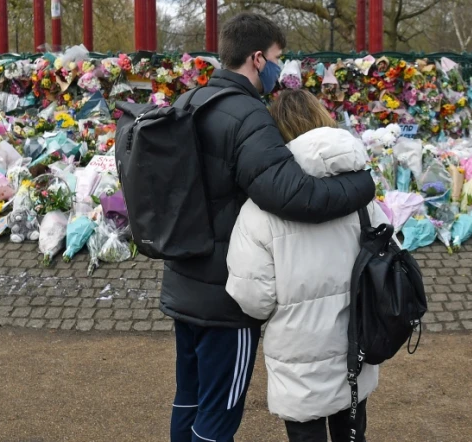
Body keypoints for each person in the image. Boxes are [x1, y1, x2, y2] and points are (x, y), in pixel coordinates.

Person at [161, 12, 376, 442]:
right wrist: (362, 183)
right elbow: (295, 195)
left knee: (189, 399)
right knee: (219, 415)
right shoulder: (246, 116)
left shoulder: (191, 102)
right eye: (278, 57)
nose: (281, 67)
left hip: (183, 280)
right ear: (258, 58)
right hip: (223, 295)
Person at [226, 89, 388, 442]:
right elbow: (387, 257)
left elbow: (253, 297)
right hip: (356, 342)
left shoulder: (259, 210)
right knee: (352, 435)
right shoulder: (362, 194)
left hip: (298, 355)